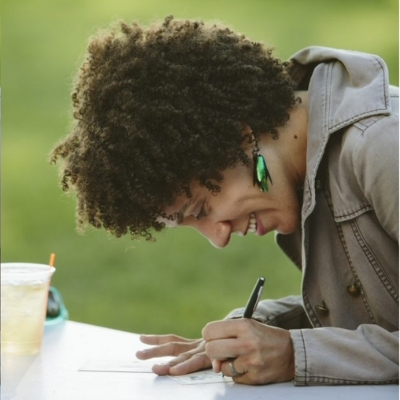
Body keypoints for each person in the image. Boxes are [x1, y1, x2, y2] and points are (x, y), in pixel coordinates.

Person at [51, 16, 399, 386]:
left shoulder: (381, 147)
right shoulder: (309, 172)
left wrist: (297, 353)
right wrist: (261, 328)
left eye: (201, 210)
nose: (218, 238)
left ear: (238, 136)